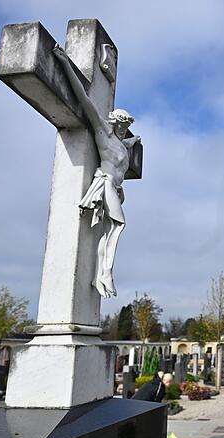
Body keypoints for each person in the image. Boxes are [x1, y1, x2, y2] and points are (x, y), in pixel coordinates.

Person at [52, 45, 141, 299]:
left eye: (126, 126)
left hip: (116, 188)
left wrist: (134, 141)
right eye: (121, 125)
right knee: (118, 224)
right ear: (114, 122)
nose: (123, 129)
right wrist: (64, 63)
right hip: (106, 182)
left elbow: (127, 145)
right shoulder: (103, 133)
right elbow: (84, 98)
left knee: (108, 230)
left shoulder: (121, 143)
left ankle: (99, 274)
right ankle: (105, 273)